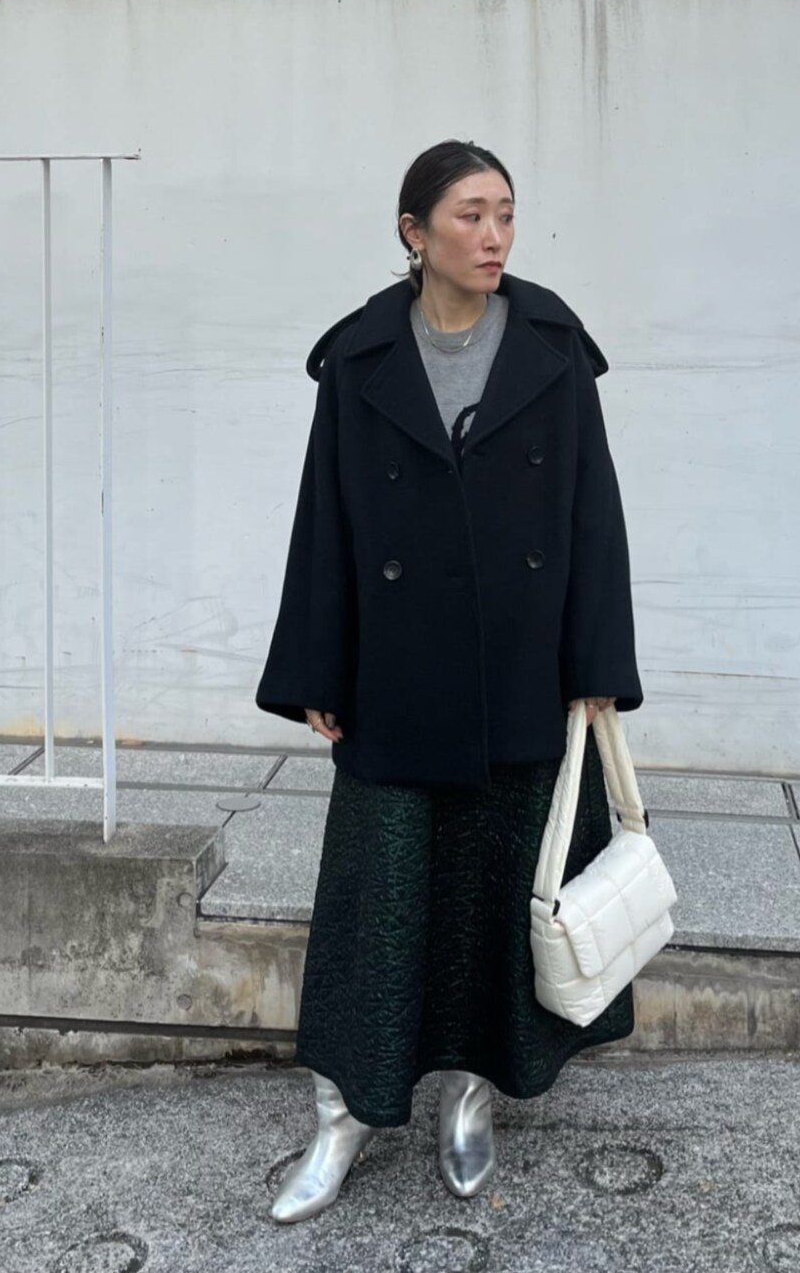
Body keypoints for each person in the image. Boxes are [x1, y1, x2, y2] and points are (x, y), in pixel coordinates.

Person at [255, 138, 643, 1223]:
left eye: (505, 213)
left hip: (519, 673)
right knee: (370, 912)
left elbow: (593, 516)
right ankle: (341, 1116)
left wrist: (596, 667)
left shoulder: (553, 347)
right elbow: (324, 522)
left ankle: (469, 1099)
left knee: (489, 904)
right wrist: (317, 667)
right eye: (470, 214)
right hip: (395, 678)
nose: (494, 235)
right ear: (413, 231)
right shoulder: (361, 356)